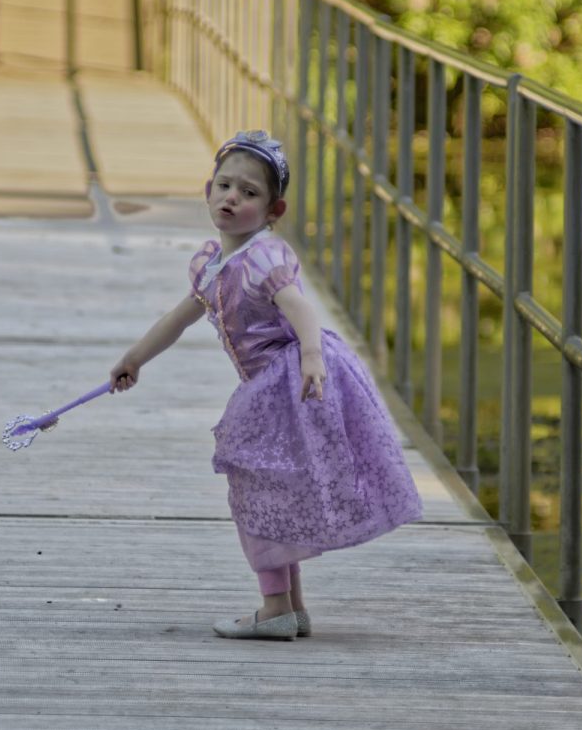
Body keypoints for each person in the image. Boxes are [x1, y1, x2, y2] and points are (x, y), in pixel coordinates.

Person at [109, 130, 423, 640]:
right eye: (226, 186)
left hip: (290, 382)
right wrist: (134, 358)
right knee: (271, 488)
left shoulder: (263, 258)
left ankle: (275, 607)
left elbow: (298, 305)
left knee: (258, 489)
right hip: (272, 386)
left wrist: (313, 358)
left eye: (249, 193)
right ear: (208, 189)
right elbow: (180, 316)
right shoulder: (211, 264)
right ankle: (290, 607)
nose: (233, 198)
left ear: (273, 209)